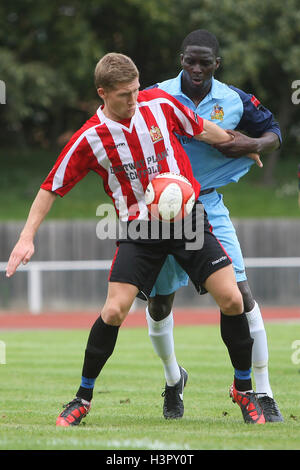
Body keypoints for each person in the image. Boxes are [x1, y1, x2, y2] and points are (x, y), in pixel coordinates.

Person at [6, 52, 265, 426]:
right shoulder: (90, 137)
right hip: (139, 231)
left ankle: (244, 390)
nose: (134, 98)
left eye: (136, 89)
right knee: (113, 311)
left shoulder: (159, 104)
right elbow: (51, 187)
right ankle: (82, 398)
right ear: (103, 93)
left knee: (232, 297)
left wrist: (244, 144)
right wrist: (26, 238)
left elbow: (201, 128)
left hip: (187, 220)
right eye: (125, 94)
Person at [145, 29, 283, 422]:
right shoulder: (156, 95)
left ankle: (262, 391)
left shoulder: (234, 100)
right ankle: (174, 380)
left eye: (206, 61)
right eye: (191, 60)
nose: (197, 68)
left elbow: (275, 133)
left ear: (216, 64)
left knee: (240, 294)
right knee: (159, 303)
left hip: (208, 205)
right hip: (163, 211)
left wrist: (252, 145)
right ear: (181, 59)